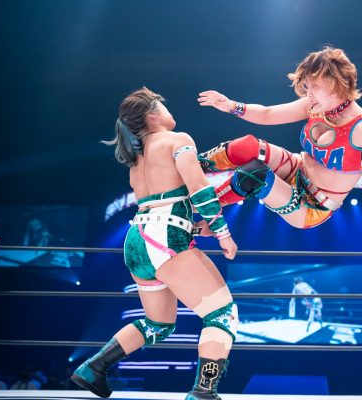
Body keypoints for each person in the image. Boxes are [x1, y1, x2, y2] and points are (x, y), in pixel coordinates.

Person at [197, 46, 362, 247]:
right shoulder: (315, 105)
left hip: (313, 206)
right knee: (246, 146)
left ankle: (204, 210)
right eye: (307, 86)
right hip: (297, 170)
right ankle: (189, 168)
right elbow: (267, 114)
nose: (308, 93)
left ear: (337, 83)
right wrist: (231, 106)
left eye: (315, 86)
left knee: (254, 174)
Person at [71, 87, 239, 400]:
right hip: (165, 237)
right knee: (221, 315)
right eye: (163, 105)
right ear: (152, 114)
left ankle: (94, 368)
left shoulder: (137, 159)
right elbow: (199, 189)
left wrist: (193, 226)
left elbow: (161, 204)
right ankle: (204, 391)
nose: (169, 110)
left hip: (138, 240)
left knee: (158, 324)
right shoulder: (178, 140)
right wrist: (222, 232)